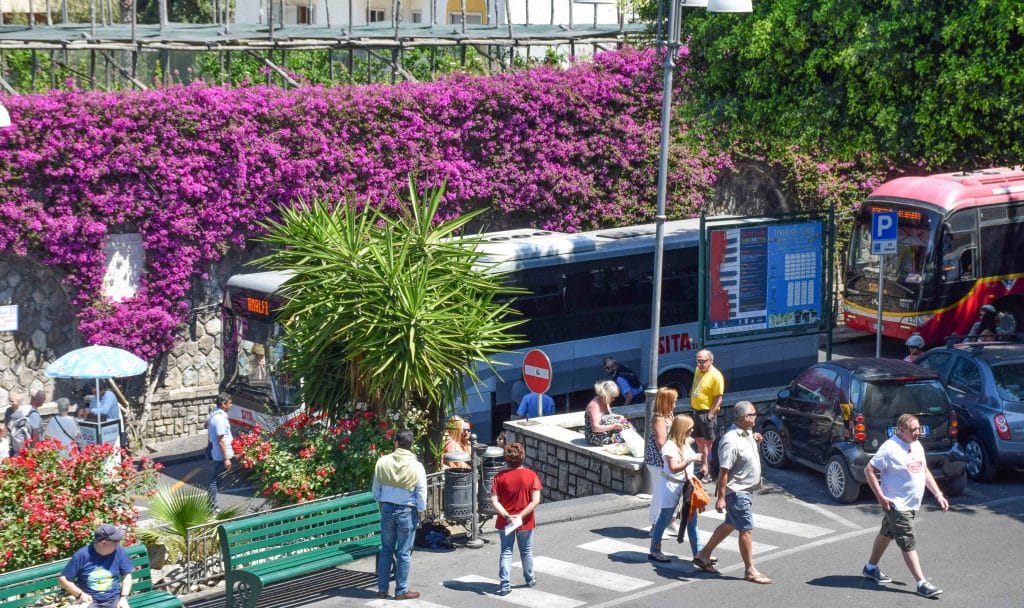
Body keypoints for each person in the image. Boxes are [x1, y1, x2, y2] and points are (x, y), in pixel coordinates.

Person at [861, 413, 948, 598]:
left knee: (887, 533)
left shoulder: (915, 445)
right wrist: (880, 496)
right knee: (908, 541)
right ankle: (922, 583)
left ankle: (870, 568)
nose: (918, 432)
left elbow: (924, 470)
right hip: (897, 504)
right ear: (901, 430)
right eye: (913, 430)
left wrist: (938, 494)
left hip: (911, 504)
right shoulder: (890, 448)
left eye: (919, 428)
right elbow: (868, 470)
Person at [693, 401, 772, 585]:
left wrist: (756, 438)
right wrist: (720, 497)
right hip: (737, 491)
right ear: (744, 418)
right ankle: (750, 570)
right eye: (753, 414)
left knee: (730, 523)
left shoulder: (747, 433)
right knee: (746, 528)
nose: (756, 417)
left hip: (745, 489)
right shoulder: (731, 440)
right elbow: (724, 471)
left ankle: (704, 554)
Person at [373, 428, 427, 601]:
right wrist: (420, 510)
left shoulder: (382, 462)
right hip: (406, 510)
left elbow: (376, 490)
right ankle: (401, 591)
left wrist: (382, 501)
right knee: (403, 553)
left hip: (387, 509)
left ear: (396, 443)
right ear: (411, 445)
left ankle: (382, 589)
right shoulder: (416, 466)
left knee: (386, 550)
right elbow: (421, 493)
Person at [648, 414, 704, 563]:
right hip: (671, 485)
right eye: (689, 428)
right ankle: (655, 550)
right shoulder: (669, 446)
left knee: (692, 520)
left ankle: (699, 554)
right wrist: (691, 459)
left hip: (686, 486)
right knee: (665, 518)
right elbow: (673, 468)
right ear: (682, 429)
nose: (692, 431)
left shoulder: (684, 442)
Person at [490, 442, 542, 596]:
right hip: (525, 521)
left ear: (506, 459)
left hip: (505, 521)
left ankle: (505, 584)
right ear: (522, 457)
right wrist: (520, 516)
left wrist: (507, 515)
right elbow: (535, 500)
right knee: (526, 551)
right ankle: (530, 578)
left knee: (506, 551)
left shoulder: (499, 477)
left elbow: (494, 501)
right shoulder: (531, 475)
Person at [58, 523, 133, 608]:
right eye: (115, 541)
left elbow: (127, 575)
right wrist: (80, 594)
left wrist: (123, 598)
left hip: (114, 599)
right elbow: (63, 579)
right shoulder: (82, 555)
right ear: (104, 543)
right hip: (90, 602)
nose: (118, 543)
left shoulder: (118, 551)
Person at [644, 387, 677, 528]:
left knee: (670, 491)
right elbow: (661, 442)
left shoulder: (669, 415)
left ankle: (669, 521)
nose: (675, 403)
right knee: (660, 492)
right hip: (658, 460)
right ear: (666, 401)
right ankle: (655, 524)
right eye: (673, 401)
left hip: (667, 458)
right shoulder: (658, 418)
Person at [690, 349, 724, 482]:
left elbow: (718, 398)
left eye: (702, 361)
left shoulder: (716, 376)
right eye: (697, 361)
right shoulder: (698, 370)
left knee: (709, 444)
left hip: (706, 413)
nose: (699, 364)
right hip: (696, 411)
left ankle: (710, 471)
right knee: (699, 441)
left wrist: (710, 414)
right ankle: (704, 467)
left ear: (710, 360)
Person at [206, 392, 234, 511]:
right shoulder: (219, 419)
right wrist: (226, 458)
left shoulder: (213, 415)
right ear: (223, 404)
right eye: (230, 403)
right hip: (221, 455)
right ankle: (212, 506)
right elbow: (221, 440)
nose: (231, 405)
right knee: (215, 481)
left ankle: (212, 505)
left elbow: (205, 425)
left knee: (218, 480)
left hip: (219, 453)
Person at [584, 380, 626, 446]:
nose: (613, 400)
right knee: (622, 435)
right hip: (595, 436)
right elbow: (595, 428)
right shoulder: (594, 406)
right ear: (606, 395)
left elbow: (609, 415)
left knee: (625, 425)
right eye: (612, 397)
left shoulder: (605, 401)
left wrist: (619, 417)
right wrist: (614, 426)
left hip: (605, 432)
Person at [7, 391, 41, 456]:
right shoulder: (8, 411)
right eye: (9, 400)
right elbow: (7, 425)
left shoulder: (23, 413)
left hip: (20, 441)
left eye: (12, 401)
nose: (10, 403)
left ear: (19, 402)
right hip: (11, 439)